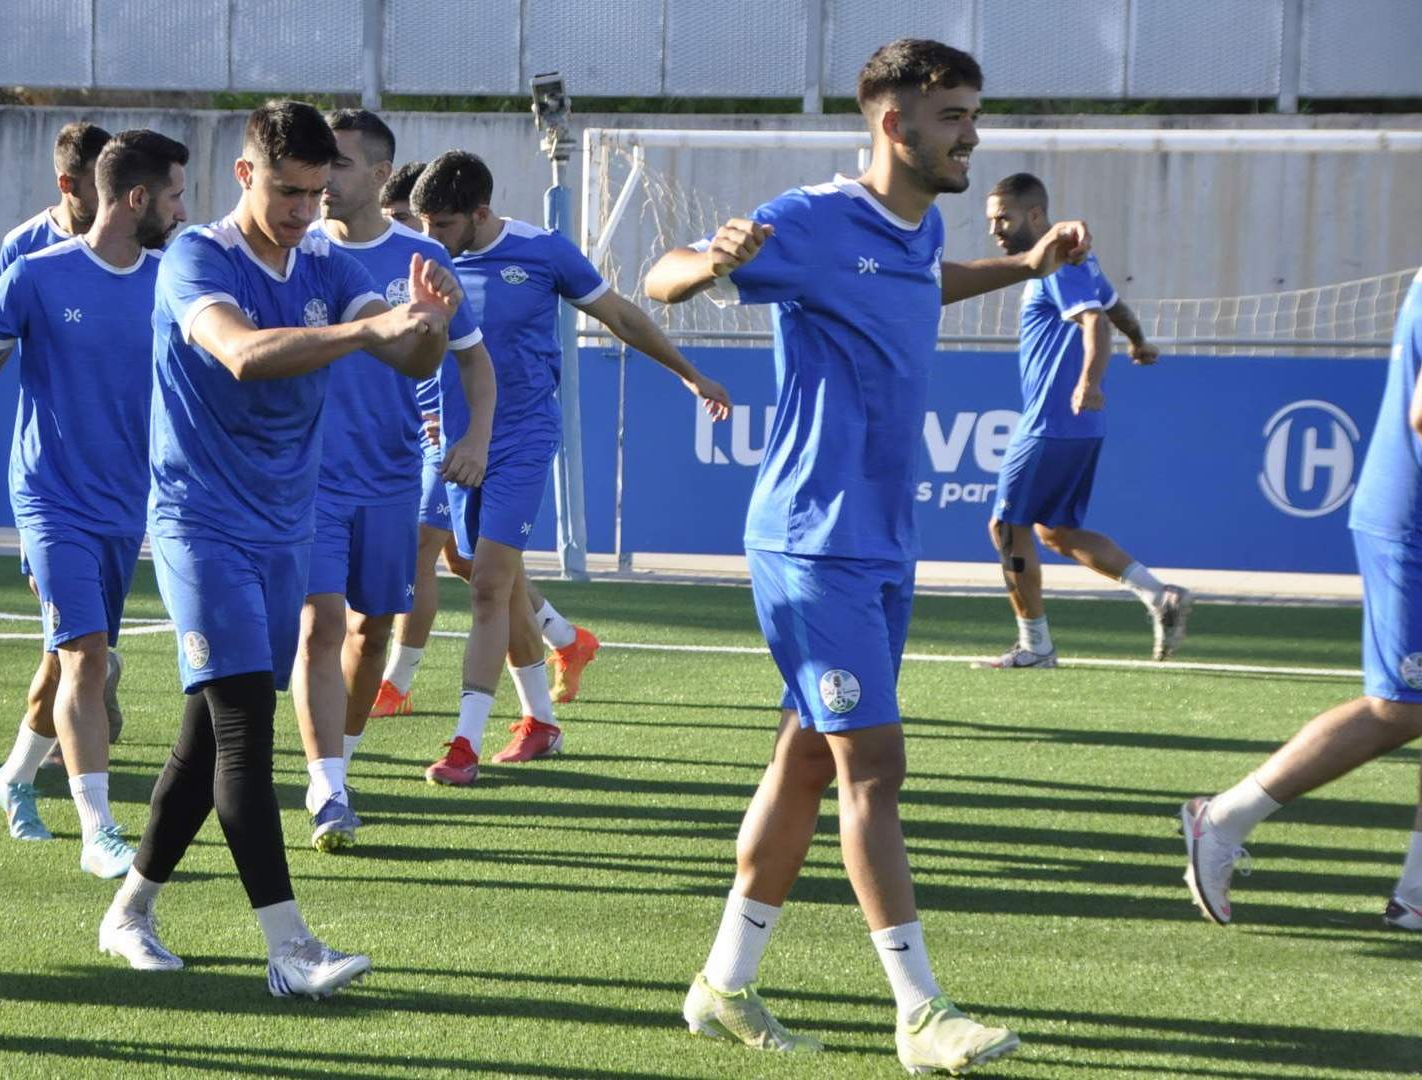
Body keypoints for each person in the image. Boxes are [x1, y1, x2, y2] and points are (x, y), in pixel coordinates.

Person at [643, 38, 1097, 1074]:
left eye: (974, 117)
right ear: (895, 124)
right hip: (814, 541)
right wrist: (713, 258)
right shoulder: (808, 219)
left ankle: (722, 984)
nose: (972, 137)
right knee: (874, 773)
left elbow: (920, 280)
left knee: (807, 761)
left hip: (877, 541)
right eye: (954, 120)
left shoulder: (917, 224)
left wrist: (1025, 268)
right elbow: (665, 279)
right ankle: (920, 1012)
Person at [94, 100, 459, 999]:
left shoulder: (327, 261)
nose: (302, 208)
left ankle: (130, 909)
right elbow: (246, 354)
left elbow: (407, 359)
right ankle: (290, 950)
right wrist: (370, 331)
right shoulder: (196, 257)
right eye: (287, 190)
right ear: (244, 176)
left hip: (283, 525)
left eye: (315, 190)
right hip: (200, 523)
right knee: (246, 734)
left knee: (205, 731)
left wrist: (427, 327)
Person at [413, 150, 729, 786]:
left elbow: (621, 316)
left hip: (523, 439)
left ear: (480, 212)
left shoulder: (543, 252)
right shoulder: (422, 261)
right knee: (484, 579)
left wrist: (690, 374)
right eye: (422, 225)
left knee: (486, 587)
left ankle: (463, 744)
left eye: (442, 225)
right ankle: (541, 719)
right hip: (455, 444)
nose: (429, 241)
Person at [0, 130, 188, 866]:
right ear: (136, 198)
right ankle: (100, 832)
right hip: (50, 499)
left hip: (127, 505)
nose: (184, 209)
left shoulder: (171, 280)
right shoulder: (35, 274)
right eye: (176, 194)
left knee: (68, 659)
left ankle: (15, 776)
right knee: (87, 658)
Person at [1181, 271, 1422, 931]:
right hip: (1412, 522)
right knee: (1399, 710)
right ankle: (1222, 819)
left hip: (1406, 510)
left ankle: (1417, 894)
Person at [290, 111, 494, 852]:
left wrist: (474, 436)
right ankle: (328, 787)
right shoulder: (294, 250)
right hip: (306, 478)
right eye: (318, 165)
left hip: (389, 480)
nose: (323, 180)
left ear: (380, 177)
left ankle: (339, 765)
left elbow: (473, 360)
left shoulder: (422, 256)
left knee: (372, 630)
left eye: (338, 165)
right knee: (319, 623)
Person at [369, 162, 600, 718]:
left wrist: (688, 373)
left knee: (442, 556)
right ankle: (563, 644)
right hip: (435, 426)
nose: (417, 236)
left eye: (420, 221)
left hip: (488, 432)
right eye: (403, 221)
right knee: (474, 566)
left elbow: (473, 356)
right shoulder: (405, 255)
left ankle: (399, 684)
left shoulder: (522, 253)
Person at [978, 171, 1188, 668]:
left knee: (1006, 527)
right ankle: (1159, 595)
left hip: (1053, 420)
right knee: (1055, 532)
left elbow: (1094, 321)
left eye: (1003, 218)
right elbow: (1113, 307)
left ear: (1035, 215)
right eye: (991, 220)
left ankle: (1035, 647)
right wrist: (1140, 341)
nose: (995, 230)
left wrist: (1089, 381)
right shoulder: (1077, 260)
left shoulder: (1059, 265)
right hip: (1079, 425)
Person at [0, 122, 128, 783]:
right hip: (51, 484)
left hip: (120, 484)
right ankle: (66, 773)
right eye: (103, 183)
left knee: (70, 651)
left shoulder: (146, 250)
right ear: (70, 186)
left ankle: (17, 773)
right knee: (73, 648)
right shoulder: (26, 252)